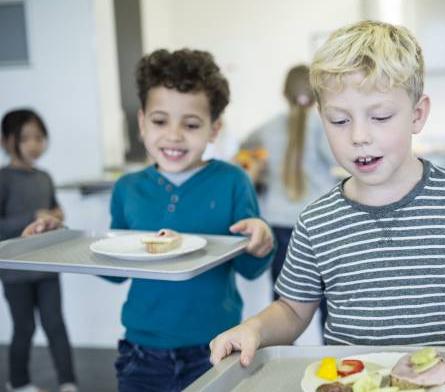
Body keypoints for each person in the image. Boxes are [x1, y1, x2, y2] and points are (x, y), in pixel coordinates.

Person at [208, 21, 445, 385]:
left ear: (417, 114)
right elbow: (291, 310)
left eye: (380, 117)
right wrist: (254, 329)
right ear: (322, 119)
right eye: (339, 120)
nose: (359, 136)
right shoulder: (316, 220)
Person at [24, 49, 276, 391]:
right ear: (142, 122)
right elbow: (114, 269)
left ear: (214, 129)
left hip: (218, 346)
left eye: (190, 124)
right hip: (141, 352)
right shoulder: (128, 189)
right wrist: (66, 239)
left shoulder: (232, 181)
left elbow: (249, 269)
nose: (173, 136)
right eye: (160, 121)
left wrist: (261, 241)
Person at [236, 64, 337, 326]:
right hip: (321, 224)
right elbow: (339, 160)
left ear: (284, 93)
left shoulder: (267, 128)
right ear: (317, 94)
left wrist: (264, 172)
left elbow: (242, 153)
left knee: (283, 306)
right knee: (331, 305)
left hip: (279, 225)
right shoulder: (326, 126)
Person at [0, 109, 78, 392]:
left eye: (40, 137)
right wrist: (32, 215)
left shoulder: (45, 177)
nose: (35, 144)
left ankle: (68, 382)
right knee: (25, 328)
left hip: (46, 267)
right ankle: (18, 382)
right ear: (7, 141)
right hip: (15, 271)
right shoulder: (3, 178)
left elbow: (53, 218)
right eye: (27, 138)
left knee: (56, 325)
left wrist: (56, 218)